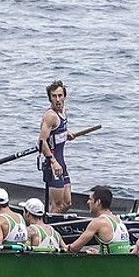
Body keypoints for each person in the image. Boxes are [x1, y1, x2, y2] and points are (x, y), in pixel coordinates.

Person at [38, 80, 77, 214]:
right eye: (54, 96)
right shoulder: (50, 116)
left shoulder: (64, 112)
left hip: (62, 163)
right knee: (57, 205)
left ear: (65, 96)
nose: (57, 99)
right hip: (52, 165)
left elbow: (57, 133)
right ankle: (47, 230)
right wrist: (53, 162)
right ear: (50, 98)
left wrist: (67, 133)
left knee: (67, 203)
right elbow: (42, 141)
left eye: (60, 95)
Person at [67, 185, 131, 255]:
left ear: (98, 202)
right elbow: (114, 248)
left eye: (90, 199)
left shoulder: (98, 222)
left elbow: (74, 248)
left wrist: (63, 247)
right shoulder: (117, 219)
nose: (88, 202)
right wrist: (99, 252)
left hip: (111, 264)